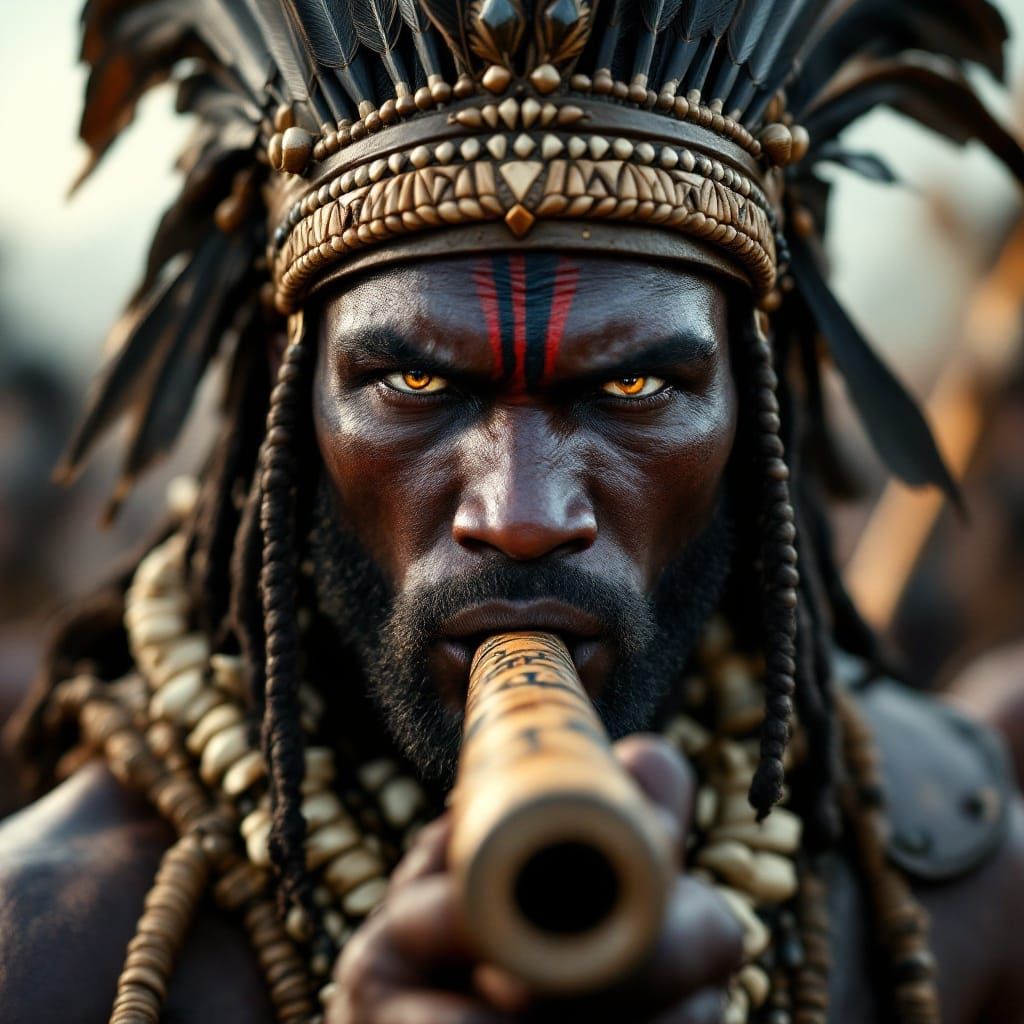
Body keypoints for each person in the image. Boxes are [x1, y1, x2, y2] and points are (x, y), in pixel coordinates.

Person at [2, 1, 1024, 1022]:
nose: (521, 515)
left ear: (752, 403)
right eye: (408, 382)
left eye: (633, 390)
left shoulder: (965, 892)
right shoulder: (45, 953)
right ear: (291, 386)